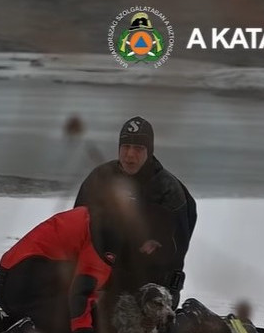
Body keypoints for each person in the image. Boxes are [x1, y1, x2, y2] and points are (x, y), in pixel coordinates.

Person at [73, 116, 197, 309]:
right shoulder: (100, 179)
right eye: (126, 147)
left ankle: (193, 316)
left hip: (151, 290)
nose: (130, 155)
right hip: (100, 281)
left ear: (149, 151)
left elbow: (173, 255)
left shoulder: (167, 190)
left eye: (138, 148)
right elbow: (76, 230)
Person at [0, 205, 123, 333]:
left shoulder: (101, 214)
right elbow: (81, 292)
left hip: (13, 279)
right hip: (22, 282)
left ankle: (5, 323)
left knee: (96, 328)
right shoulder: (108, 234)